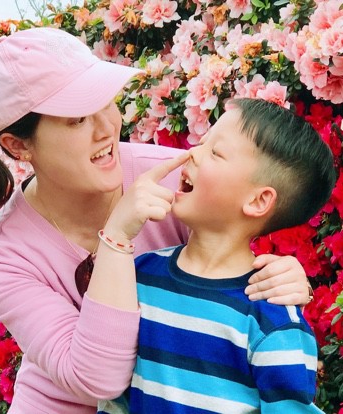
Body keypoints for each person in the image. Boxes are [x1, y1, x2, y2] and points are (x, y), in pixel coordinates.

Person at [0, 27, 311, 414]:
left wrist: (282, 278)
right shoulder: (2, 254)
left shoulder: (174, 178)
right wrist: (117, 238)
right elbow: (98, 381)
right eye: (78, 119)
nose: (107, 128)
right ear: (18, 145)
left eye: (106, 102)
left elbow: (234, 263)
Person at [95, 98, 335, 413]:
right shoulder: (142, 275)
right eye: (202, 143)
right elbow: (117, 399)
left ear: (258, 200)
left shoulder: (270, 318)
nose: (191, 153)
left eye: (215, 152)